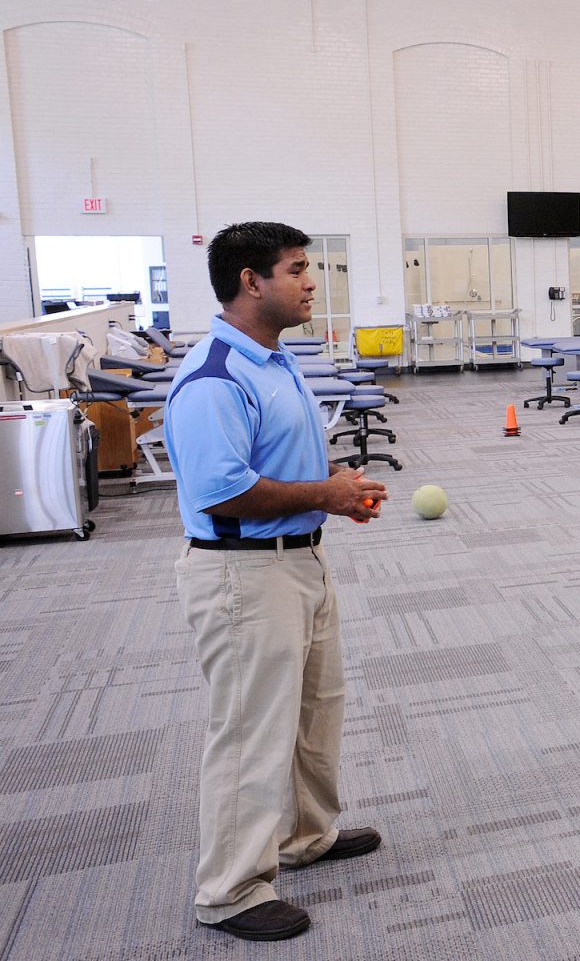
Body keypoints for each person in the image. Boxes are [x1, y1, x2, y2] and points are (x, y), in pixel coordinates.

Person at [165, 222, 389, 942]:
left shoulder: (273, 357)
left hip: (299, 560)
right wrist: (323, 494)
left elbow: (281, 464)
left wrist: (333, 491)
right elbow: (220, 492)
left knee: (316, 709)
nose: (311, 282)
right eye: (296, 269)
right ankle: (230, 889)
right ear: (251, 281)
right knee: (250, 729)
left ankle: (304, 837)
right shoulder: (214, 379)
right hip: (243, 574)